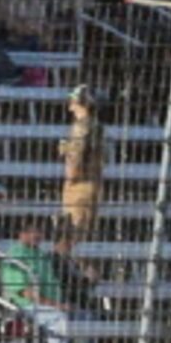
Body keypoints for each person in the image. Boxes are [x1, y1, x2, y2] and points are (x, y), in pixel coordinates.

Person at [60, 87, 106, 237]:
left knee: (72, 235)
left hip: (79, 186)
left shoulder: (81, 127)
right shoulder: (95, 125)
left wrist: (71, 177)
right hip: (89, 184)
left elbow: (76, 158)